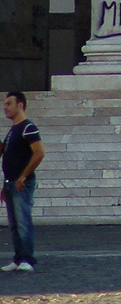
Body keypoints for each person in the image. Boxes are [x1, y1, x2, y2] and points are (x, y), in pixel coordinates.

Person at [2, 91, 43, 273]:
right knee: (14, 224)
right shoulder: (13, 130)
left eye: (9, 103)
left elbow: (39, 153)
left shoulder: (28, 127)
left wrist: (23, 176)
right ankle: (18, 258)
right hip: (11, 183)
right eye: (5, 104)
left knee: (23, 221)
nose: (5, 107)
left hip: (21, 183)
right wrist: (6, 183)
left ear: (20, 105)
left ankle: (27, 258)